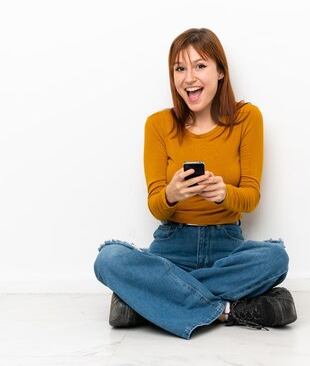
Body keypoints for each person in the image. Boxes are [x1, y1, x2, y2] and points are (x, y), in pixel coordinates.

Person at [93, 28, 297, 339]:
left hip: (226, 245)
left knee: (275, 258)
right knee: (108, 259)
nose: (189, 77)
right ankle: (226, 311)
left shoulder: (247, 118)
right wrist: (171, 196)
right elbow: (155, 206)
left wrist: (225, 193)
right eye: (180, 68)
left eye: (200, 66)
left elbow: (251, 197)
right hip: (172, 246)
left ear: (220, 73)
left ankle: (152, 297)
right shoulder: (158, 125)